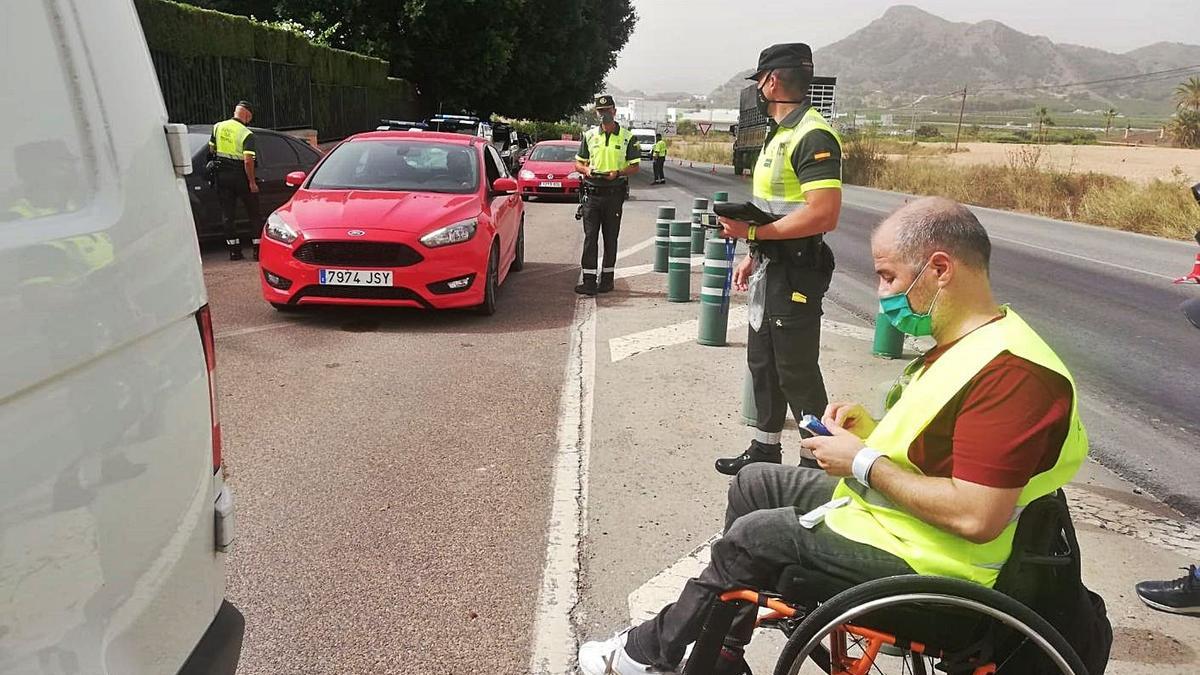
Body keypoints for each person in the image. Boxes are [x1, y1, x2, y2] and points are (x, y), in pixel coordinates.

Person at [577, 197, 1089, 674]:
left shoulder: (1012, 375)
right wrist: (872, 434)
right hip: (907, 525)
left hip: (946, 571)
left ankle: (651, 654)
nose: (884, 294)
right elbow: (944, 448)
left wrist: (863, 461)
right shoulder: (966, 343)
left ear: (939, 268)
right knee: (755, 484)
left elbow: (978, 516)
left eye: (889, 278)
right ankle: (723, 652)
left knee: (757, 539)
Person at [713, 43, 842, 476]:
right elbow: (776, 206)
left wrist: (753, 232)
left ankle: (816, 462)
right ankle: (765, 450)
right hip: (773, 265)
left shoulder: (812, 134)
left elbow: (824, 212)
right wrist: (755, 251)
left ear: (770, 82)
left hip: (798, 271)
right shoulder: (779, 132)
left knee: (797, 370)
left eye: (759, 82)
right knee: (764, 361)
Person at [573, 94, 641, 295]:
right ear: (596, 113)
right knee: (590, 238)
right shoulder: (589, 135)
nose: (604, 115)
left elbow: (635, 167)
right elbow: (578, 163)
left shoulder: (628, 137)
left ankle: (607, 280)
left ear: (614, 111)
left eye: (608, 111)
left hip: (614, 193)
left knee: (610, 238)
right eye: (601, 111)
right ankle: (589, 281)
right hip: (592, 193)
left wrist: (618, 173)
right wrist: (586, 171)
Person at [209, 101, 262, 261]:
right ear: (247, 114)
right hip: (241, 176)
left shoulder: (217, 127)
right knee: (254, 214)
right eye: (250, 117)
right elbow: (248, 160)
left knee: (228, 215)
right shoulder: (246, 133)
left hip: (222, 176)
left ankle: (234, 251)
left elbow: (212, 149)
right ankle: (256, 251)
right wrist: (252, 182)